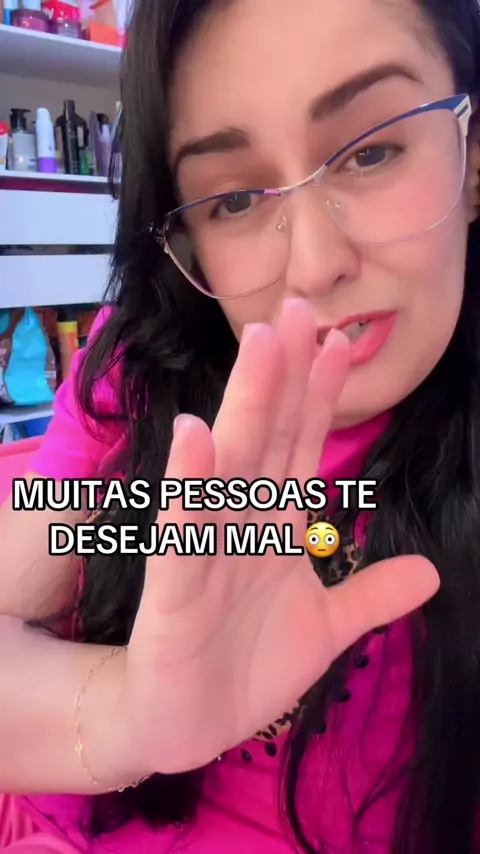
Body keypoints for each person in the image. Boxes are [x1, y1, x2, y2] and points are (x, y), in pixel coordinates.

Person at [2, 0, 480, 849]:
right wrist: (134, 712)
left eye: (372, 152)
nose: (314, 264)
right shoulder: (138, 376)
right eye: (234, 200)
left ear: (471, 157)